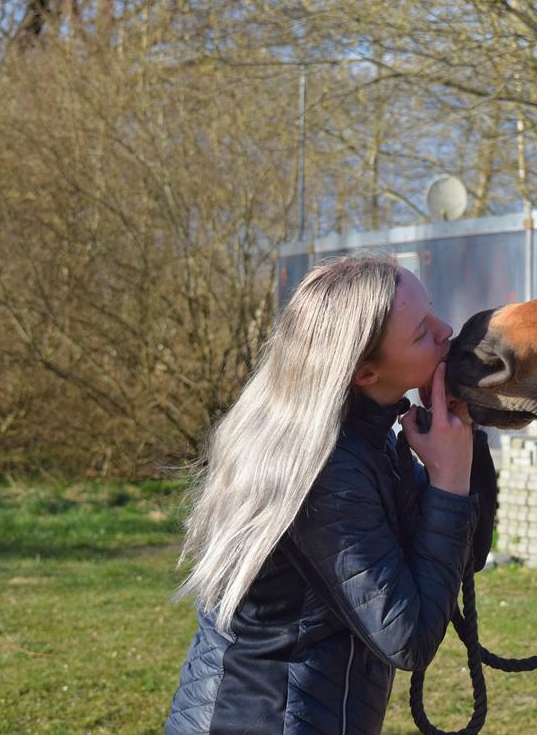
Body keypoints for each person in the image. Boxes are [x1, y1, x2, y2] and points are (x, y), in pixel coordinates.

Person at [165, 254, 496, 735]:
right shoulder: (321, 470)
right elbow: (409, 637)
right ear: (365, 372)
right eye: (421, 332)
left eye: (431, 311)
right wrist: (447, 482)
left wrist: (462, 442)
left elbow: (465, 556)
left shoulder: (365, 439)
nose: (445, 330)